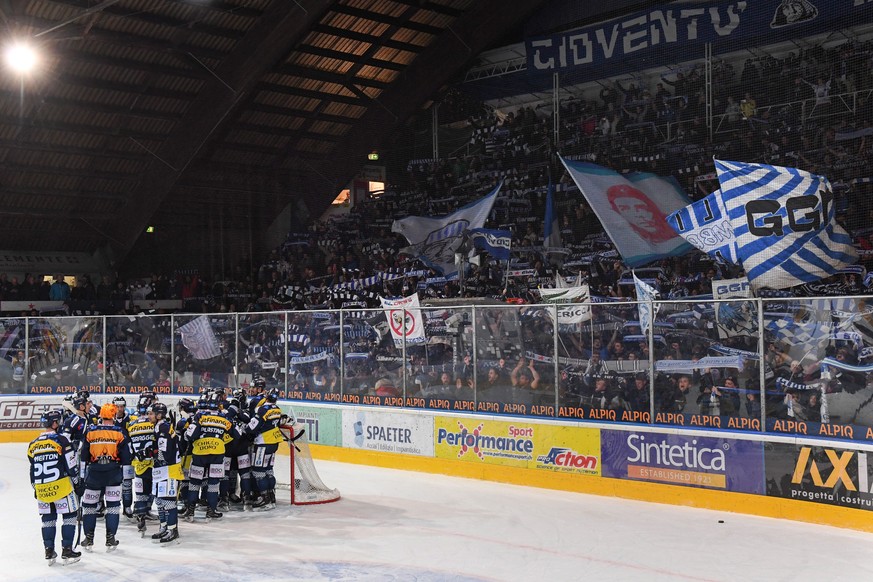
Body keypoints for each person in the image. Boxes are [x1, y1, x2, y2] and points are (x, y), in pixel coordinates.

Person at [28, 409, 82, 565]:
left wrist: (36, 488)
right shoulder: (62, 441)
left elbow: (32, 470)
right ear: (54, 423)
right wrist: (78, 483)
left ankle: (49, 551)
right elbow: (71, 467)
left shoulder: (33, 444)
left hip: (42, 489)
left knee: (48, 520)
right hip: (62, 488)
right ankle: (67, 550)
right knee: (70, 517)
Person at [81, 403, 133, 551]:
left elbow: (83, 456)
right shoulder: (119, 432)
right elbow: (126, 458)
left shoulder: (91, 431)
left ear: (101, 415)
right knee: (113, 507)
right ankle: (110, 538)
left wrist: (80, 477)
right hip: (113, 473)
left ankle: (89, 538)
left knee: (90, 508)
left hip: (94, 474)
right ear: (114, 415)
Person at [181, 391, 240, 521]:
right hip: (217, 454)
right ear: (219, 405)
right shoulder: (225, 418)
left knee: (194, 483)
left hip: (200, 453)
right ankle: (211, 511)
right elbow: (237, 434)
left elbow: (190, 435)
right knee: (213, 483)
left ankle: (190, 511)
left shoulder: (200, 416)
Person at [150, 402, 183, 544]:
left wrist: (155, 455)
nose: (148, 416)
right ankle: (164, 526)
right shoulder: (159, 427)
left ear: (159, 415)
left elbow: (164, 453)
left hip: (169, 470)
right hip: (161, 470)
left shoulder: (163, 428)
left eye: (151, 413)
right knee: (159, 500)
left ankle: (172, 529)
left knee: (168, 501)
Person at [247, 387, 285, 511]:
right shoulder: (278, 410)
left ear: (267, 396)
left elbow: (253, 427)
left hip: (263, 443)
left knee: (258, 471)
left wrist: (245, 430)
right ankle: (271, 497)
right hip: (274, 443)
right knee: (268, 470)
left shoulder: (263, 410)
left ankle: (265, 499)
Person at [606, 184, 677, 244]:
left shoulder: (676, 226)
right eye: (625, 209)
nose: (637, 214)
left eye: (641, 207)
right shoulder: (628, 239)